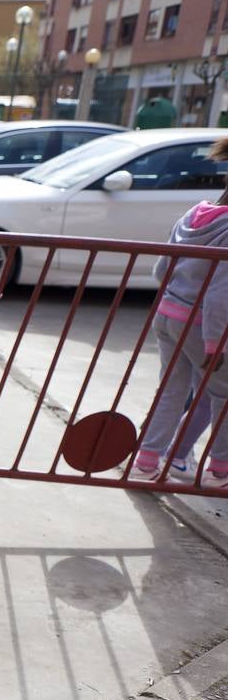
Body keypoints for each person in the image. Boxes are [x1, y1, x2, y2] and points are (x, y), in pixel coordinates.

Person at [130, 135, 228, 488]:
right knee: (222, 395)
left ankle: (146, 462)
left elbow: (161, 269)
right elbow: (220, 296)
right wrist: (215, 345)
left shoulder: (194, 214)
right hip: (202, 326)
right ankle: (219, 471)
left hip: (168, 314)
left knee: (171, 390)